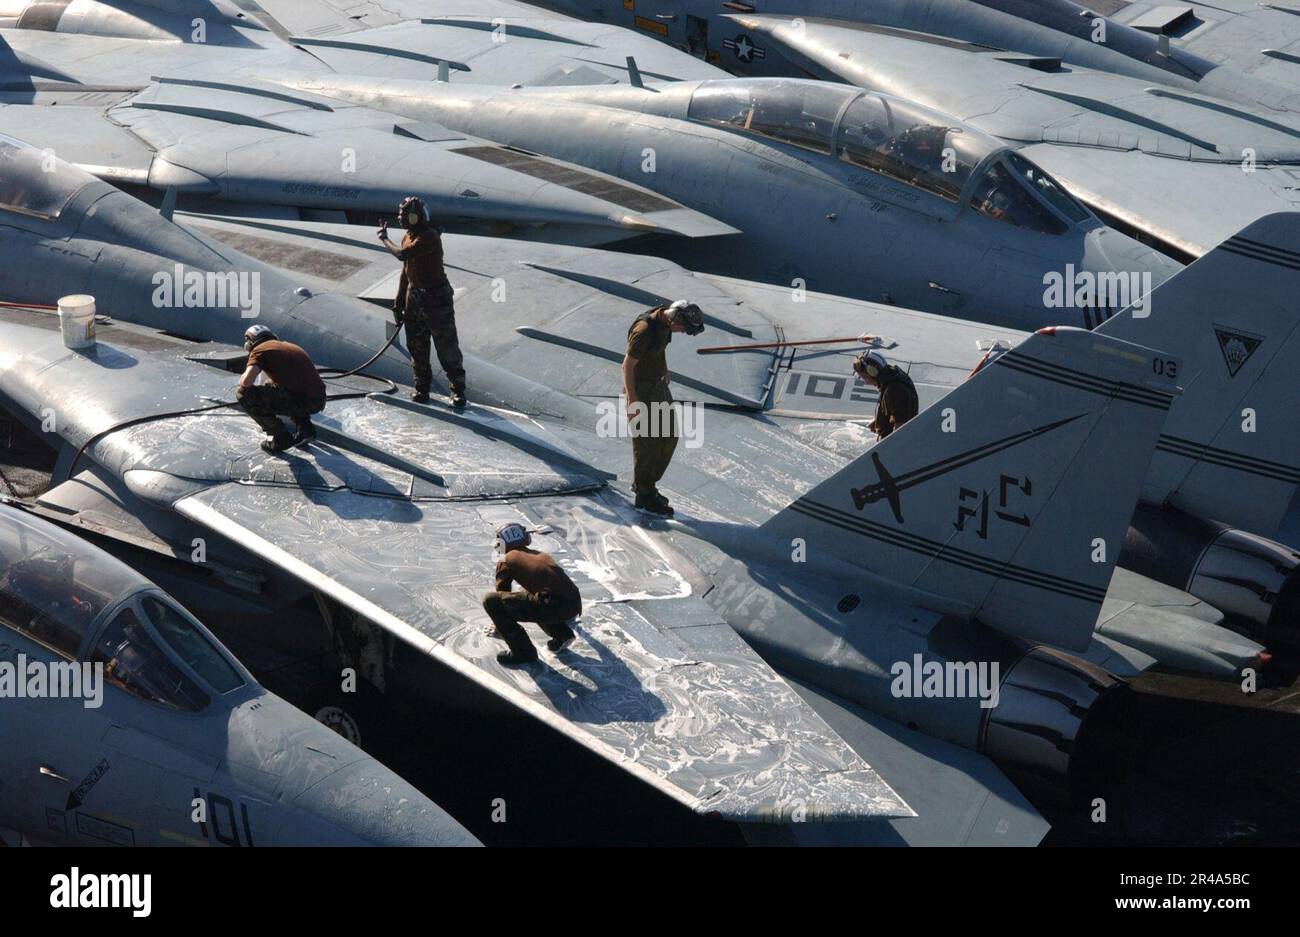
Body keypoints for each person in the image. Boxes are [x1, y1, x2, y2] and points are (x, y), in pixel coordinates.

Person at [378, 195, 467, 408]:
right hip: (414, 296)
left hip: (436, 298)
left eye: (404, 215)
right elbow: (405, 270)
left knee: (446, 347)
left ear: (415, 217)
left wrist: (383, 238)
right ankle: (421, 389)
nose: (400, 218)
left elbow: (402, 255)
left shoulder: (429, 237)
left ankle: (458, 391)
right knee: (416, 346)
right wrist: (399, 301)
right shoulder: (408, 236)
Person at [621, 300, 705, 517]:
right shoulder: (644, 330)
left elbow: (660, 349)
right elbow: (627, 367)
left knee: (669, 436)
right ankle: (644, 495)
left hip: (656, 385)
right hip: (640, 390)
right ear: (675, 317)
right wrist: (632, 401)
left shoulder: (665, 324)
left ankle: (646, 483)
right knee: (647, 444)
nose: (681, 332)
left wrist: (664, 368)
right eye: (682, 328)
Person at [481, 524, 582, 667]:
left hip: (552, 605)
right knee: (533, 598)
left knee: (491, 601)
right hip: (573, 603)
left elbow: (502, 591)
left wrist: (500, 626)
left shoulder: (506, 558)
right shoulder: (538, 554)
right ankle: (562, 634)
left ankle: (523, 652)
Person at [236, 324, 326, 453]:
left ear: (250, 343)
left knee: (243, 393)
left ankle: (279, 436)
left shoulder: (259, 350)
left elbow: (246, 382)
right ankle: (306, 429)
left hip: (301, 401)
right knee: (270, 385)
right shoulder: (288, 345)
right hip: (318, 400)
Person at [854, 349, 918, 440]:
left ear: (872, 372)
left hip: (893, 448)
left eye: (864, 377)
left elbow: (900, 429)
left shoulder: (895, 390)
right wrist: (879, 421)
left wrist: (887, 451)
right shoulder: (890, 377)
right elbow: (894, 409)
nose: (865, 381)